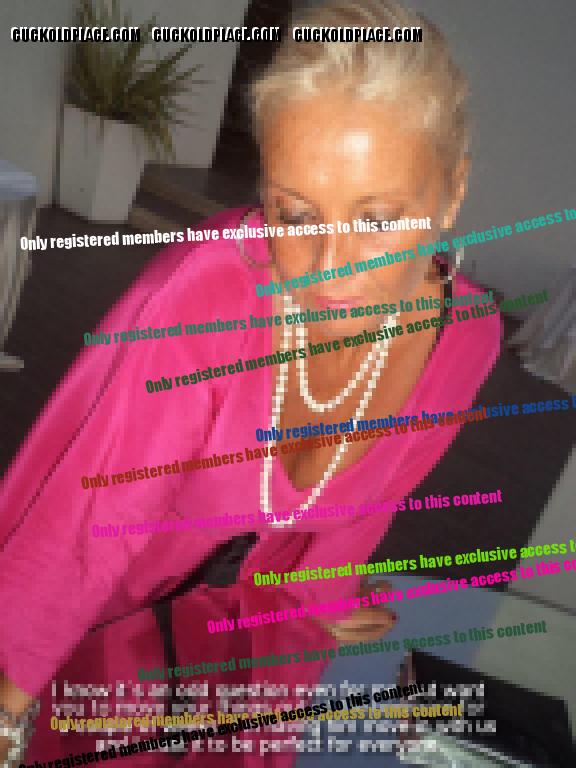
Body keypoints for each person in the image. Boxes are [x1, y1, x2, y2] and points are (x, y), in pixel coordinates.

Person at [1, 1, 573, 765]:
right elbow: (83, 534)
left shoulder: (465, 339)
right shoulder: (208, 298)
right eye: (295, 215)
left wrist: (320, 601)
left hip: (236, 645)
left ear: (454, 191)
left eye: (377, 219)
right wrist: (7, 711)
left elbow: (352, 528)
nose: (329, 272)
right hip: (95, 625)